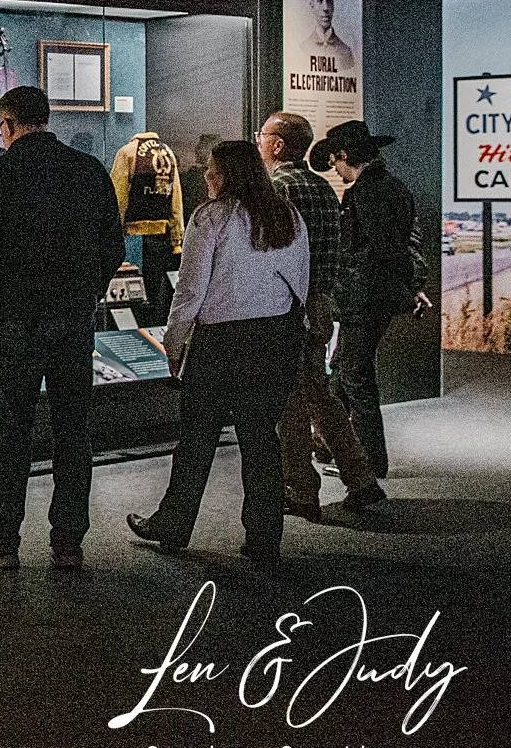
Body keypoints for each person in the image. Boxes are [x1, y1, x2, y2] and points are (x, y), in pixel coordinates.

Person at [0, 86, 125, 572]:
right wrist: (87, 291)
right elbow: (113, 244)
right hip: (74, 319)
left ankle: (3, 538)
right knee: (74, 429)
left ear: (8, 124)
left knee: (13, 428)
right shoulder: (87, 169)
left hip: (20, 316)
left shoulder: (2, 172)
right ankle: (69, 542)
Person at [127, 141, 310, 565]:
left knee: (196, 438)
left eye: (212, 170)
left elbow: (190, 291)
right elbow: (301, 276)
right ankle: (265, 536)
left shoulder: (211, 217)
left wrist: (174, 344)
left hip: (220, 343)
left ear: (227, 174)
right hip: (274, 338)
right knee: (261, 438)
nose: (207, 177)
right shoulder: (286, 214)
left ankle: (173, 525)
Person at [256, 112, 386, 516]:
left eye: (262, 135)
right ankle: (361, 478)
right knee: (321, 395)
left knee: (289, 403)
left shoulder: (278, 188)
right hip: (322, 303)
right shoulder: (324, 189)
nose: (258, 142)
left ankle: (300, 490)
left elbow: (268, 253)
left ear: (277, 145)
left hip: (288, 306)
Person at [311, 120, 431, 479]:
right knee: (342, 373)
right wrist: (412, 287)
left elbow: (385, 248)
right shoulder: (394, 187)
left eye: (335, 161)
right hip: (373, 296)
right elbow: (407, 243)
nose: (335, 169)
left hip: (365, 297)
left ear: (345, 155)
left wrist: (407, 289)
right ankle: (335, 447)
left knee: (355, 377)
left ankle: (370, 461)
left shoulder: (366, 193)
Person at [306, 0, 357, 71]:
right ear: (311, 6)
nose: (325, 8)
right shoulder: (302, 49)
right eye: (319, 1)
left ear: (333, 5)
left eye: (329, 1)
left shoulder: (345, 52)